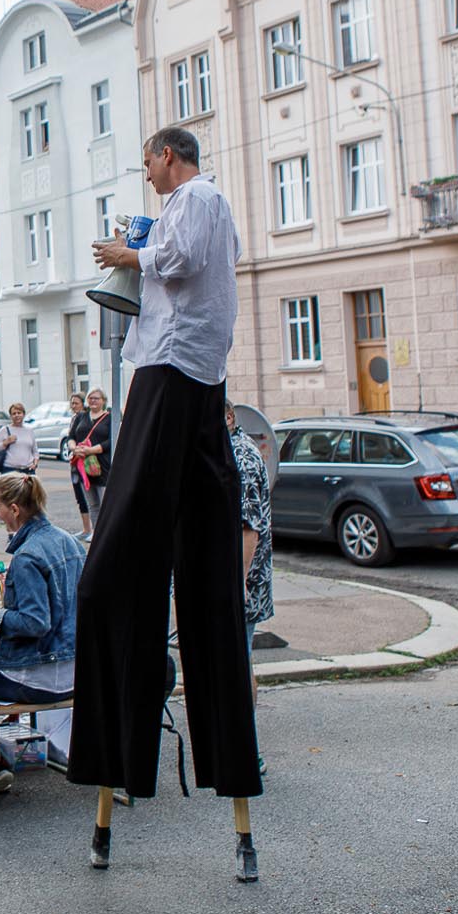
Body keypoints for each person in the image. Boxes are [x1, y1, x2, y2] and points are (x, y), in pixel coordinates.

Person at [74, 127, 261, 824]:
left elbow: (178, 262)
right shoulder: (201, 204)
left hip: (175, 364)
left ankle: (122, 744)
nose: (147, 172)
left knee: (117, 563)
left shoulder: (197, 197)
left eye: (148, 161)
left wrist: (128, 254)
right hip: (190, 369)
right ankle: (159, 748)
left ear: (168, 156)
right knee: (181, 554)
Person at [0, 473, 83, 806]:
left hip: (39, 676)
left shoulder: (28, 556)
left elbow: (34, 623)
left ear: (15, 509)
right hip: (74, 670)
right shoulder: (70, 542)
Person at [229, 403, 273, 696]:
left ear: (229, 417)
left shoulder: (241, 457)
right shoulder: (226, 450)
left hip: (242, 581)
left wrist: (239, 580)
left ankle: (244, 723)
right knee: (234, 662)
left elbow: (249, 528)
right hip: (234, 579)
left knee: (239, 664)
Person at [69, 389, 113, 534]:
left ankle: (107, 535)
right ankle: (96, 534)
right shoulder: (81, 416)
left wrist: (91, 450)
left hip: (102, 467)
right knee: (92, 504)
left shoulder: (109, 418)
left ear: (103, 401)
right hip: (83, 467)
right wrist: (75, 449)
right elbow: (71, 437)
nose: (93, 400)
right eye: (90, 398)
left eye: (96, 398)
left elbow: (112, 441)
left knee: (106, 504)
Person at [0, 402, 39, 475]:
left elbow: (35, 451)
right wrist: (6, 442)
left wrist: (35, 464)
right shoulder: (5, 430)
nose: (17, 415)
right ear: (11, 416)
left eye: (19, 413)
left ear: (23, 414)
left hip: (28, 470)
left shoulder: (29, 431)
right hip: (10, 470)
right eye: (14, 413)